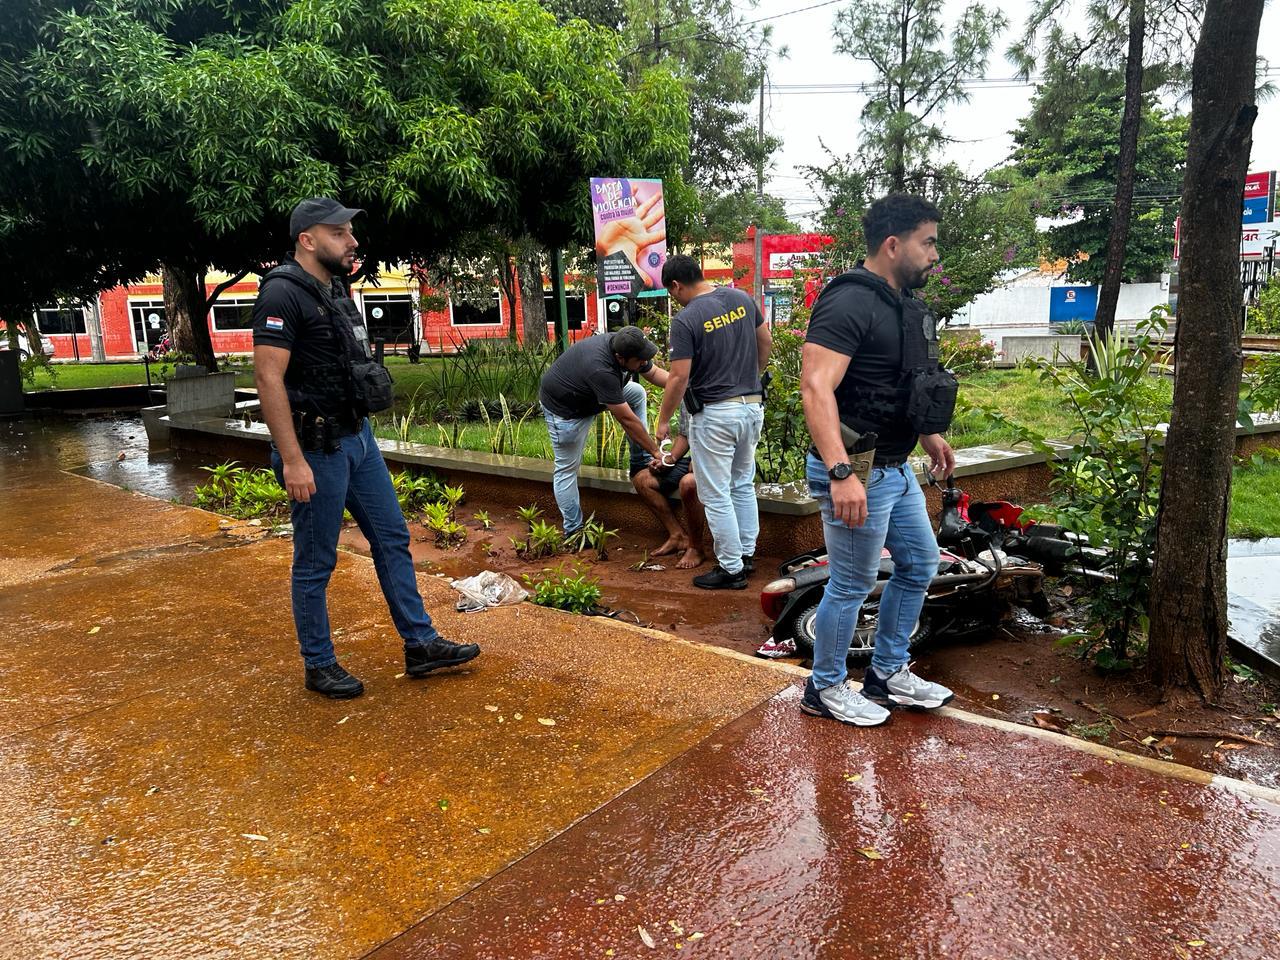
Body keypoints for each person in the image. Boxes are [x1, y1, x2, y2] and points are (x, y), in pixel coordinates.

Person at [253, 197, 480, 700]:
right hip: (316, 447)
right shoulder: (281, 294)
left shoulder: (332, 288)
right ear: (307, 240)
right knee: (315, 562)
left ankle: (420, 644)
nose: (352, 241)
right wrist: (292, 459)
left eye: (350, 232)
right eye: (339, 233)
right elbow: (268, 378)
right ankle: (319, 663)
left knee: (393, 538)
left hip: (358, 440)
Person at [798, 193, 957, 727]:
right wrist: (841, 473)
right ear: (894, 245)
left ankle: (887, 673)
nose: (935, 254)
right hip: (857, 469)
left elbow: (898, 383)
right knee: (851, 582)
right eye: (927, 242)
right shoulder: (849, 301)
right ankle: (823, 688)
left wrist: (929, 434)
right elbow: (816, 388)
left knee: (919, 564)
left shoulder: (902, 305)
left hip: (895, 465)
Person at [656, 255, 772, 590]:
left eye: (672, 292)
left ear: (676, 285)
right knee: (740, 484)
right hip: (752, 407)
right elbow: (766, 343)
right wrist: (751, 377)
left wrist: (663, 420)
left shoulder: (687, 318)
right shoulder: (741, 298)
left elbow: (678, 378)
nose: (674, 298)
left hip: (716, 414)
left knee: (716, 493)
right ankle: (746, 556)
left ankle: (731, 569)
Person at [538, 326, 669, 536]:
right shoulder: (601, 369)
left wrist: (684, 385)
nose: (644, 362)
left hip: (588, 392)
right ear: (620, 358)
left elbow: (653, 373)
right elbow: (626, 419)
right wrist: (657, 452)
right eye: (640, 359)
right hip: (566, 410)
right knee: (566, 469)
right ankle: (573, 531)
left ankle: (639, 460)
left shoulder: (626, 344)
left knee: (636, 392)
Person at [630, 409, 706, 569]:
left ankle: (695, 548)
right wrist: (669, 459)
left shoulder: (725, 390)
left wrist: (701, 458)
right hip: (695, 457)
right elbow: (686, 435)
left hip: (719, 456)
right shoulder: (688, 389)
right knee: (642, 479)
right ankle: (677, 536)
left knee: (689, 484)